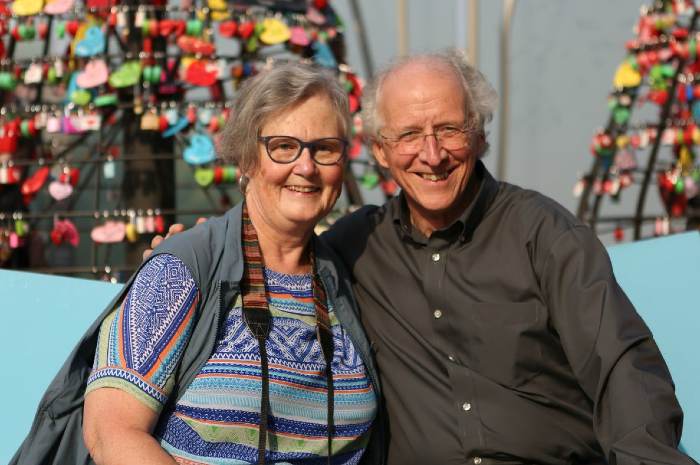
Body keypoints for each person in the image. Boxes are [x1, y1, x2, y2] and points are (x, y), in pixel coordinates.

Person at [150, 50, 697, 465]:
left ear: (479, 136)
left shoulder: (544, 235)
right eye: (409, 135)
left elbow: (623, 370)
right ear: (382, 150)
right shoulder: (352, 250)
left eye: (449, 130)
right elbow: (271, 249)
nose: (431, 155)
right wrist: (198, 251)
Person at [83, 62, 381, 465]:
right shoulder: (181, 270)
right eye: (283, 146)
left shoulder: (348, 275)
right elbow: (111, 431)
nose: (306, 167)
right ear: (246, 158)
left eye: (324, 148)